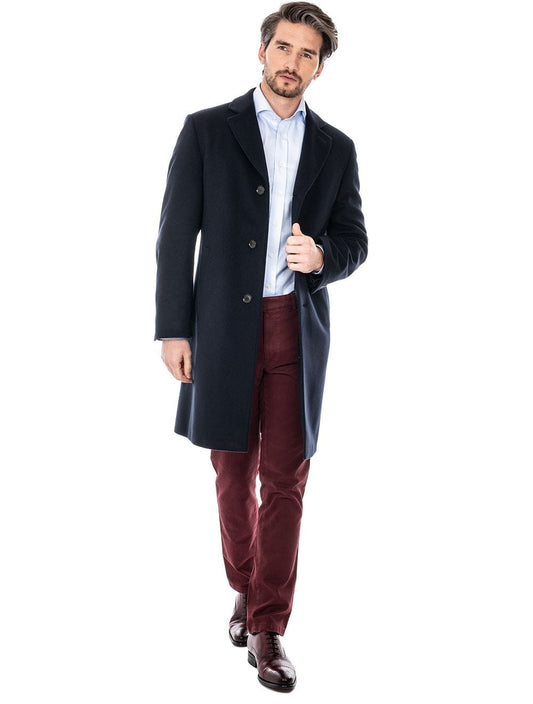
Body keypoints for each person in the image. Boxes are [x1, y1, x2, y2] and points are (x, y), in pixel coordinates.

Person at [155, 2, 367, 692]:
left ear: (319, 68)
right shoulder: (206, 130)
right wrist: (174, 328)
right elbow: (174, 236)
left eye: (307, 54)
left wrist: (322, 257)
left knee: (286, 479)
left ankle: (269, 625)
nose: (291, 63)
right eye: (283, 47)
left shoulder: (336, 148)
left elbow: (355, 240)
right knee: (231, 469)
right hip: (221, 329)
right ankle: (245, 585)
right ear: (262, 51)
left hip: (295, 330)